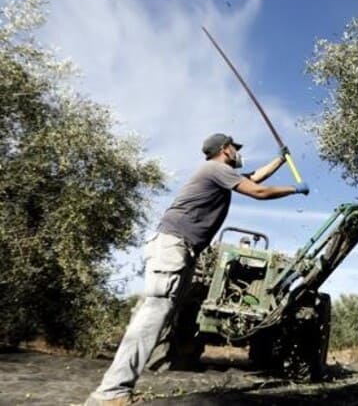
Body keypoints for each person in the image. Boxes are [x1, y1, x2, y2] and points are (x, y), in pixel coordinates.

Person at [85, 133, 309, 406]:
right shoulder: (216, 169)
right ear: (225, 150)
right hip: (173, 246)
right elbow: (257, 191)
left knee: (160, 315)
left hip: (181, 248)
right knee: (153, 315)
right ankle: (110, 393)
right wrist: (294, 189)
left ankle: (116, 390)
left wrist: (279, 160)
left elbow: (256, 178)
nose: (238, 153)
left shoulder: (220, 173)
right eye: (235, 148)